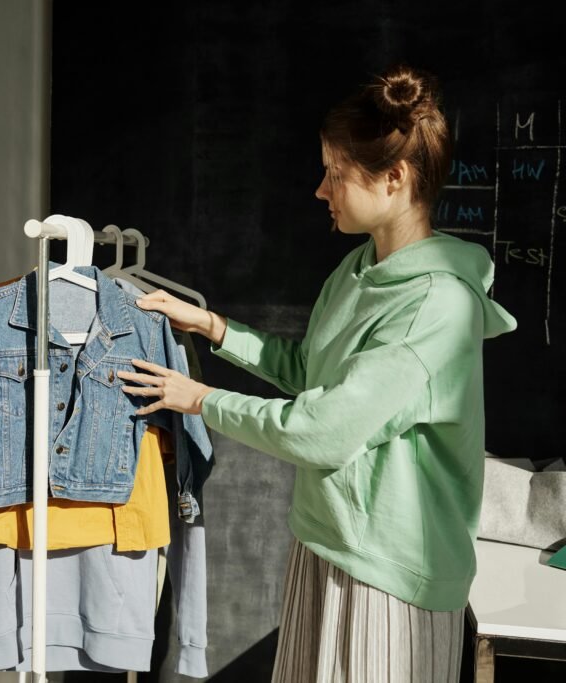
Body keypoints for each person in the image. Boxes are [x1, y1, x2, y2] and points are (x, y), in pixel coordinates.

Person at [117, 64, 517, 682]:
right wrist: (215, 328)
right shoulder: (356, 270)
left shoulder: (436, 304)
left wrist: (198, 399)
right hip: (325, 544)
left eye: (336, 173)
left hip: (391, 574)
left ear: (394, 177)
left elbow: (324, 430)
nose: (320, 190)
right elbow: (312, 372)